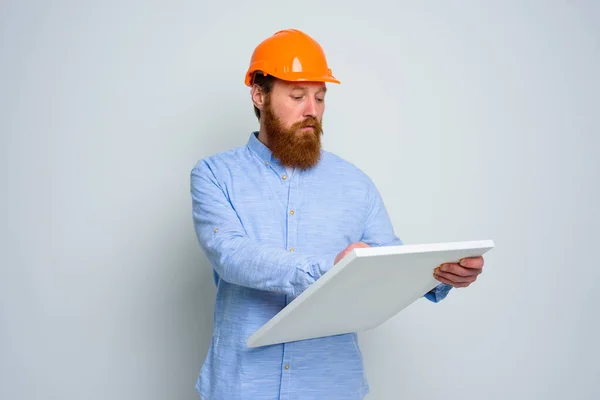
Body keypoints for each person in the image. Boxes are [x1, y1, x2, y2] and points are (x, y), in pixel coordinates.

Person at [190, 28, 485, 400]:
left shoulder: (355, 182)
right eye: (297, 96)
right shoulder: (215, 174)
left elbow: (387, 260)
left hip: (331, 387)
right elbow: (231, 255)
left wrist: (439, 275)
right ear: (259, 94)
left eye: (319, 97)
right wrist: (332, 270)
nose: (311, 110)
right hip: (243, 386)